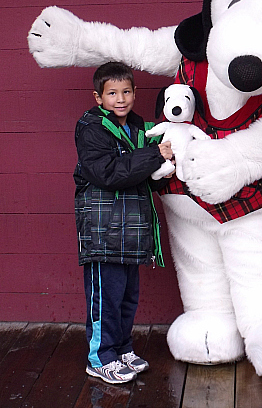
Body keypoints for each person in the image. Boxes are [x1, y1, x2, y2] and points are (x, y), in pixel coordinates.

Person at [74, 62, 173, 384]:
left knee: (128, 296)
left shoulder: (140, 129)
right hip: (104, 231)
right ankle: (100, 357)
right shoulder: (91, 128)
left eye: (126, 91)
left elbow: (145, 175)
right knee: (106, 298)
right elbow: (108, 174)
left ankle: (121, 349)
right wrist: (155, 155)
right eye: (112, 93)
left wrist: (167, 160)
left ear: (134, 93)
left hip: (132, 229)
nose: (120, 99)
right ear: (98, 97)